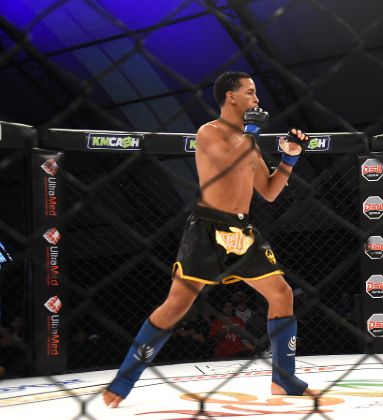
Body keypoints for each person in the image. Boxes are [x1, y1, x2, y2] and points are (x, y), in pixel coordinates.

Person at [102, 71, 319, 408]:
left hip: (242, 231)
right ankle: (124, 379)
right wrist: (251, 133)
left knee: (282, 294)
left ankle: (284, 379)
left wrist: (290, 157)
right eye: (250, 92)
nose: (257, 99)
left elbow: (269, 191)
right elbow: (228, 164)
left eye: (256, 93)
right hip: (207, 228)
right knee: (176, 305)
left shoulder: (251, 143)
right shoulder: (209, 132)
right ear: (231, 97)